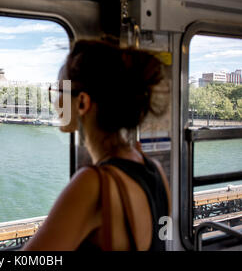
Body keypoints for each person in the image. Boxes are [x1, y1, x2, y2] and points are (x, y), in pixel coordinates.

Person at [23, 39, 171, 251]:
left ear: (82, 102)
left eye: (58, 91)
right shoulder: (156, 171)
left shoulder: (92, 184)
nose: (55, 102)